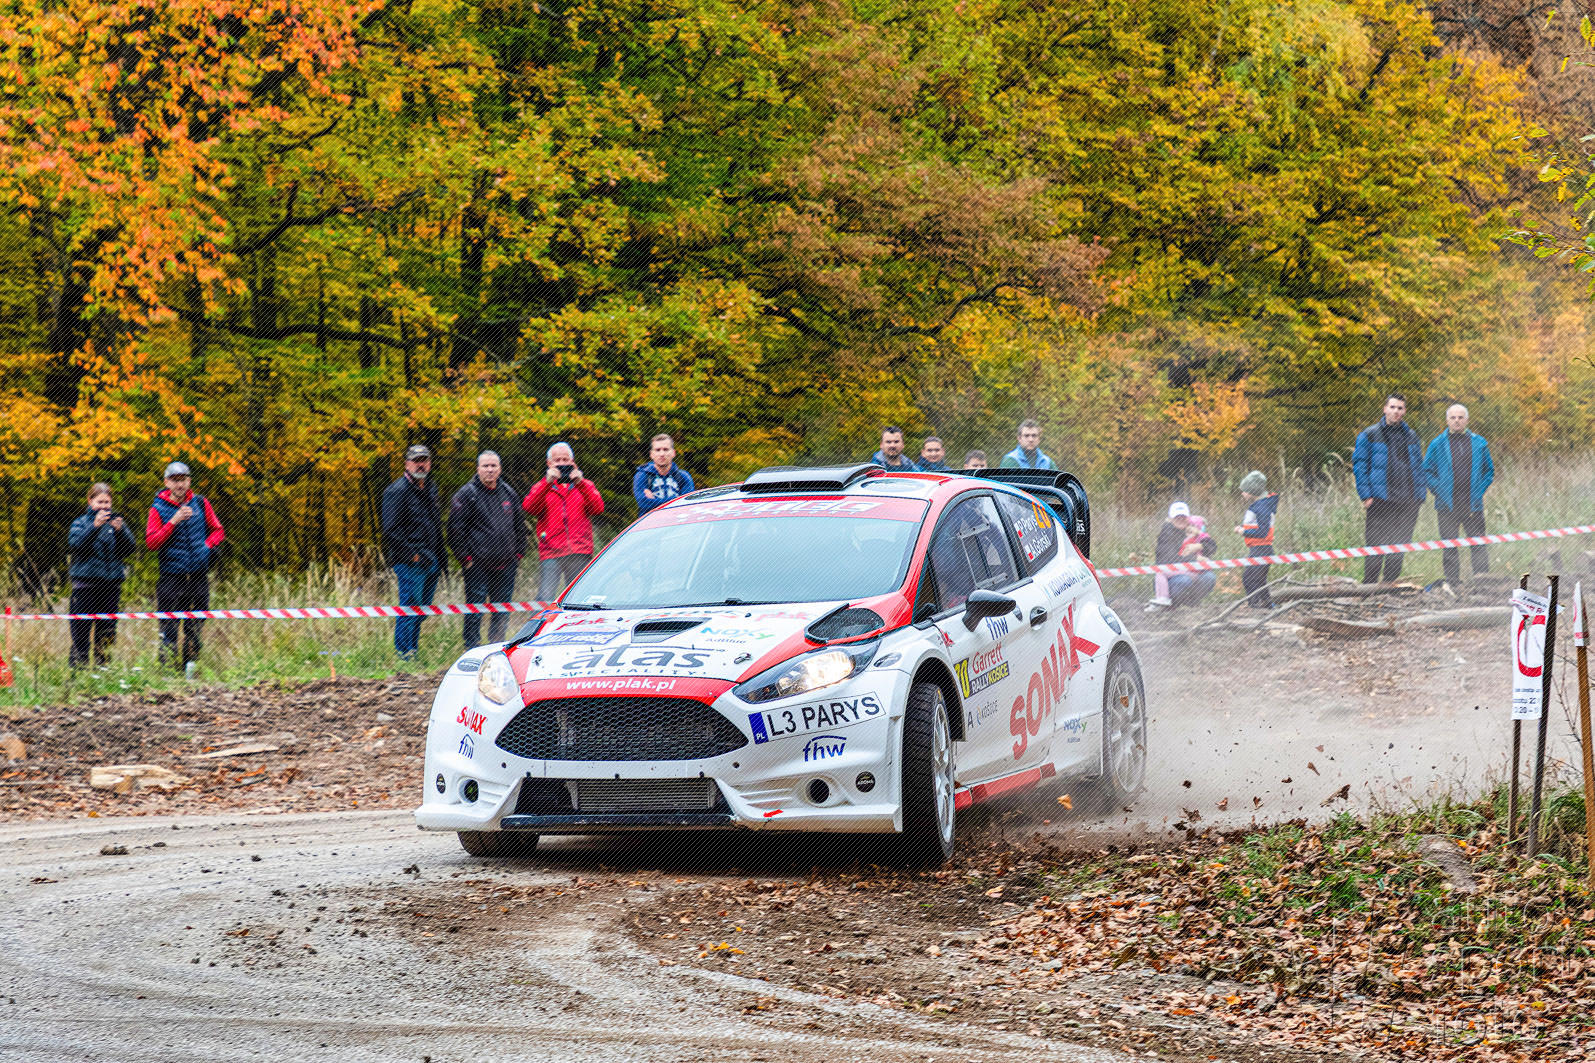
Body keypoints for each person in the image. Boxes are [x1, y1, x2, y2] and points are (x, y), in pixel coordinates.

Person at [145, 461, 224, 672]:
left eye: (183, 480)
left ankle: (190, 670)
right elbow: (151, 543)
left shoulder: (201, 503)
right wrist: (173, 521)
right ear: (166, 482)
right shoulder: (157, 509)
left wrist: (207, 547)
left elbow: (218, 530)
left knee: (195, 626)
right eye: (175, 480)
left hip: (198, 576)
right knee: (169, 628)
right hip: (171, 577)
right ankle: (167, 672)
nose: (179, 485)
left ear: (189, 481)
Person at [447, 451, 526, 649]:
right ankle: (472, 646)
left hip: (506, 564)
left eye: (493, 466)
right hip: (477, 565)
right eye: (485, 466)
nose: (490, 470)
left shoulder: (509, 493)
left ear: (499, 469)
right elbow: (455, 529)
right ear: (478, 469)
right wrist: (465, 558)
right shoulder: (466, 494)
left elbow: (520, 525)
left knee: (502, 609)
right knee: (475, 609)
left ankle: (496, 646)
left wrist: (518, 554)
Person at [1353, 394, 1425, 583]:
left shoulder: (1411, 435)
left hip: (1407, 501)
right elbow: (1360, 466)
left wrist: (1419, 496)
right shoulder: (1369, 434)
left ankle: (1389, 585)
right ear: (1385, 409)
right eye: (1392, 407)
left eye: (1400, 408)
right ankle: (1369, 586)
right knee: (1375, 545)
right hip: (1380, 499)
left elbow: (1418, 466)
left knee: (1399, 546)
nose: (1396, 411)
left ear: (1404, 411)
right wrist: (1366, 495)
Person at [381, 443, 444, 660]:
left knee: (421, 611)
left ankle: (412, 651)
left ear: (429, 463)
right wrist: (412, 555)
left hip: (431, 559)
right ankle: (403, 654)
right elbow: (390, 529)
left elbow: (435, 524)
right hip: (410, 562)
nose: (420, 465)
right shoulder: (396, 491)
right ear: (407, 464)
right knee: (409, 609)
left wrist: (439, 556)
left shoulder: (431, 488)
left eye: (424, 460)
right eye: (416, 461)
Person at [1423, 404, 1495, 587]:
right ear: (1447, 420)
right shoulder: (1437, 444)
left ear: (1467, 420)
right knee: (1449, 547)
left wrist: (1479, 491)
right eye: (1453, 418)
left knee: (1478, 544)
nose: (1457, 421)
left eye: (1460, 417)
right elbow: (1426, 471)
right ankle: (1453, 583)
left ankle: (1482, 583)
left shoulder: (1479, 443)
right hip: (1447, 505)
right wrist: (1439, 490)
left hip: (1472, 505)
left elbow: (1489, 471)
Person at [523, 441, 605, 600]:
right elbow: (529, 508)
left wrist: (580, 483)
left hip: (579, 551)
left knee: (578, 596)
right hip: (551, 552)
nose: (562, 464)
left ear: (572, 462)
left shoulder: (584, 485)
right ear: (549, 463)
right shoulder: (542, 486)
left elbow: (598, 508)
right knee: (545, 597)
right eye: (557, 460)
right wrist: (547, 483)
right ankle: (542, 618)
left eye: (565, 460)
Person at [66, 483, 136, 668]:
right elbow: (75, 546)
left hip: (111, 586)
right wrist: (94, 527)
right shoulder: (80, 523)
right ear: (90, 501)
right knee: (80, 634)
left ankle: (103, 670)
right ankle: (78, 672)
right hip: (85, 587)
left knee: (107, 633)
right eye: (100, 502)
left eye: (107, 502)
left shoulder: (116, 523)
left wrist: (121, 531)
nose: (104, 506)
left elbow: (130, 549)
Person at [1145, 502, 1216, 610]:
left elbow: (1212, 546)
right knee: (1184, 580)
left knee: (1209, 577)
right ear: (1170, 519)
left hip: (1194, 570)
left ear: (1188, 518)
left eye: (1183, 516)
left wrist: (1199, 546)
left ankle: (1192, 602)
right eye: (1177, 517)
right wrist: (1195, 559)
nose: (1180, 519)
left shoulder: (1194, 529)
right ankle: (1170, 602)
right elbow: (1169, 558)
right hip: (1173, 575)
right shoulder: (1166, 533)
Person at [1236, 470, 1279, 609]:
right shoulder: (1259, 505)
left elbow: (1263, 531)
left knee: (1249, 579)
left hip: (1262, 549)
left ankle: (1254, 605)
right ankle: (1267, 604)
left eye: (1244, 491)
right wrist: (1244, 528)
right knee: (1258, 579)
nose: (1242, 493)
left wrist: (1244, 532)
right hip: (1258, 548)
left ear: (1252, 491)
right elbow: (1257, 525)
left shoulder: (1262, 506)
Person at [633, 434, 695, 516]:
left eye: (666, 449)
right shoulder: (642, 475)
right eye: (657, 450)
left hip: (677, 521)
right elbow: (643, 503)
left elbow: (687, 504)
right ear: (651, 454)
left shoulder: (684, 476)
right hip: (651, 522)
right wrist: (677, 500)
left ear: (673, 453)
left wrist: (653, 502)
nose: (662, 454)